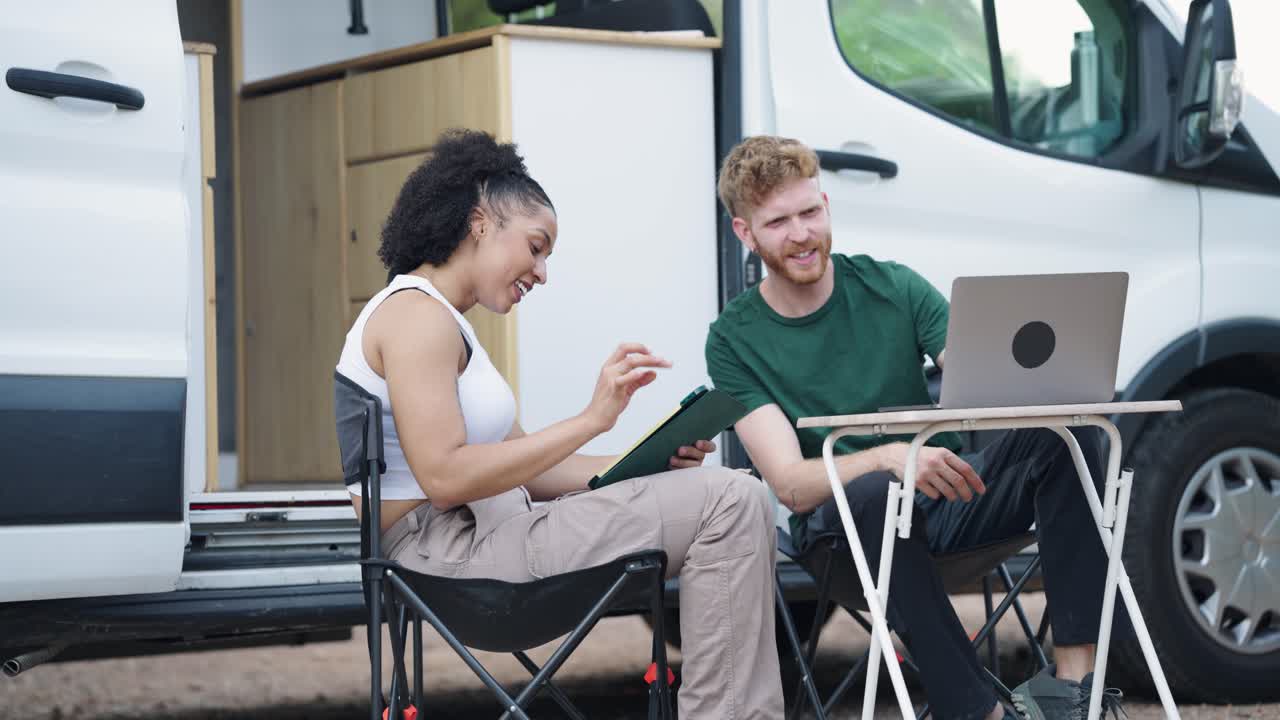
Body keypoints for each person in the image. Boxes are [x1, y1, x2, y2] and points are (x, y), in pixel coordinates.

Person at [335, 129, 783, 719]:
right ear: (480, 222)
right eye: (536, 247)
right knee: (731, 499)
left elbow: (532, 469)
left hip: (488, 539)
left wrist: (648, 460)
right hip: (454, 561)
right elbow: (444, 477)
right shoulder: (417, 318)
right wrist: (589, 420)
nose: (541, 272)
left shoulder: (442, 320)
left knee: (721, 492)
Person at [705, 135, 1121, 720]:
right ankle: (978, 711)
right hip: (843, 534)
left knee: (1066, 438)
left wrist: (1052, 379)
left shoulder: (891, 285)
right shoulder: (733, 339)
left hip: (948, 496)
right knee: (877, 491)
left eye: (810, 212)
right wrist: (884, 457)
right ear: (746, 233)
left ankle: (1076, 689)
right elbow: (791, 484)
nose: (802, 234)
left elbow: (983, 377)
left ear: (826, 204)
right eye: (779, 222)